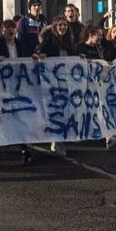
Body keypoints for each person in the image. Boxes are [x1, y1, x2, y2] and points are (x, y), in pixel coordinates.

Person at [0, 19, 34, 165]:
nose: (10, 30)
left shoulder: (20, 45)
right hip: (1, 87)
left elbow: (27, 59)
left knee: (18, 116)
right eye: (7, 27)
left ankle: (24, 149)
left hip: (17, 86)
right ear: (2, 30)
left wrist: (36, 58)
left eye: (13, 27)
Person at [35, 16, 77, 156]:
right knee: (55, 111)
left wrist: (80, 57)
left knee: (65, 110)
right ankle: (57, 141)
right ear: (54, 26)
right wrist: (40, 56)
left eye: (65, 25)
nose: (62, 27)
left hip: (66, 82)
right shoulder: (47, 42)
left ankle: (59, 139)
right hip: (52, 83)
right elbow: (36, 54)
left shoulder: (69, 42)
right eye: (60, 25)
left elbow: (74, 56)